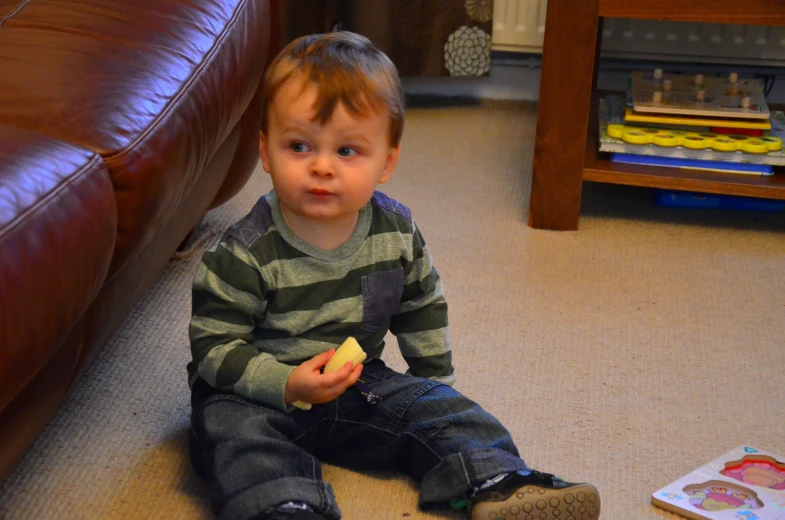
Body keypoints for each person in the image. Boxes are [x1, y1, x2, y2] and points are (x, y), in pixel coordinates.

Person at [186, 31, 600, 520]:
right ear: (265, 150)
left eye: (347, 151)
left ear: (388, 161)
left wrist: (434, 387)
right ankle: (284, 505)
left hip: (357, 383)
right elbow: (214, 347)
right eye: (298, 145)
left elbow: (422, 306)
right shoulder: (244, 250)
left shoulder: (396, 231)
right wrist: (286, 383)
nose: (321, 167)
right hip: (258, 392)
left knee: (453, 415)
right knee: (234, 437)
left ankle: (496, 481)